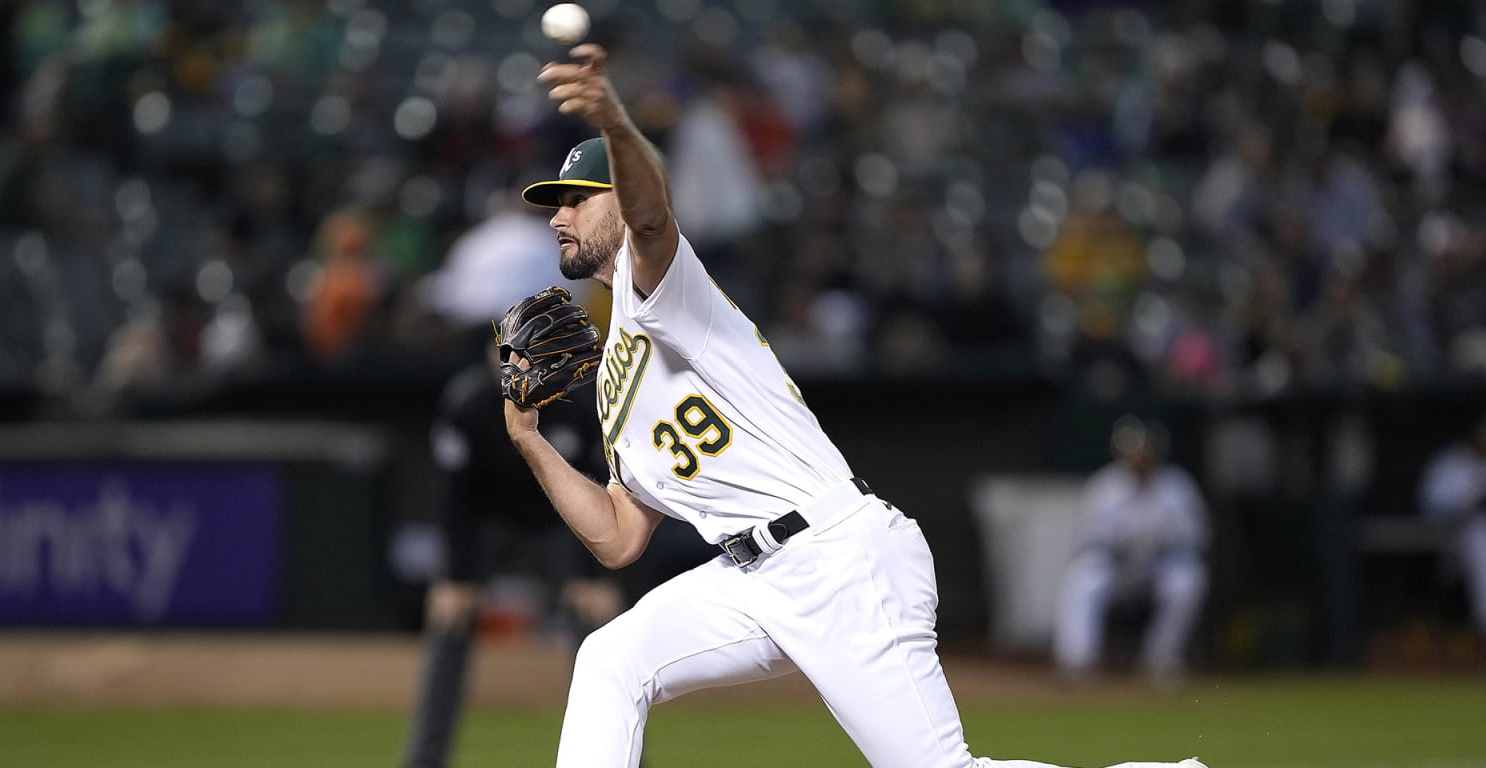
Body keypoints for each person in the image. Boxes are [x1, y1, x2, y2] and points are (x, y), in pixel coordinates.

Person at [502, 43, 1209, 768]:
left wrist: (614, 121)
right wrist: (529, 438)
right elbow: (620, 538)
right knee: (612, 658)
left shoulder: (662, 290)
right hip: (749, 579)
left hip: (838, 557)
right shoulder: (615, 380)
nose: (558, 217)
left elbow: (652, 216)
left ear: (617, 196)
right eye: (554, 205)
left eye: (575, 198)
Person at [400, 329, 623, 768]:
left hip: (562, 524)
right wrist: (456, 577)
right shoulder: (470, 402)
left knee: (602, 631)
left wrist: (593, 575)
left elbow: (604, 488)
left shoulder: (577, 400)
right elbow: (456, 499)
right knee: (450, 618)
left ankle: (620, 759)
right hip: (487, 523)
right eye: (507, 351)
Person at [1053, 416, 1211, 687]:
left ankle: (1161, 660)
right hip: (1115, 565)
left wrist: (1162, 546)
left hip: (1157, 567)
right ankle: (1078, 661)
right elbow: (1089, 540)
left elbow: (1196, 539)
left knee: (1187, 580)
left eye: (1144, 453)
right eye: (1134, 453)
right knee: (1083, 578)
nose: (1140, 459)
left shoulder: (1176, 487)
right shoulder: (1105, 487)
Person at [1416, 415, 1486, 637]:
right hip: (1453, 538)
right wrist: (1469, 503)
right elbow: (1431, 503)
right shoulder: (1451, 462)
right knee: (1479, 542)